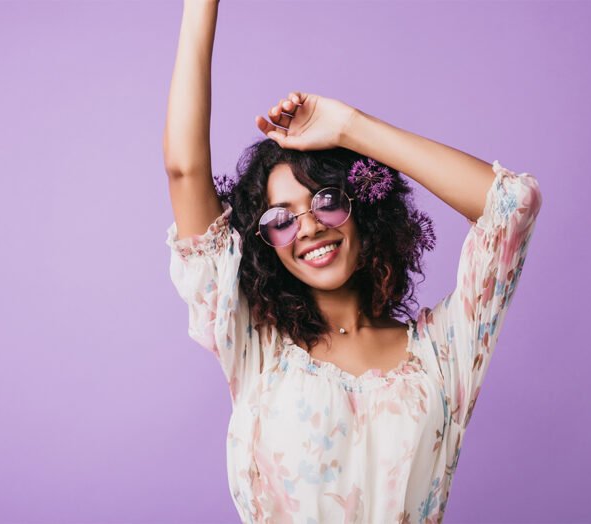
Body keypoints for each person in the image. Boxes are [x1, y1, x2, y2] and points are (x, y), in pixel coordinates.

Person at [163, 1, 543, 521]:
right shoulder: (258, 348)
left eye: (326, 199)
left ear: (363, 208)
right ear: (267, 245)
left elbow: (511, 205)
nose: (310, 227)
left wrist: (349, 127)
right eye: (282, 218)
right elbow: (184, 170)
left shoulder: (442, 355)